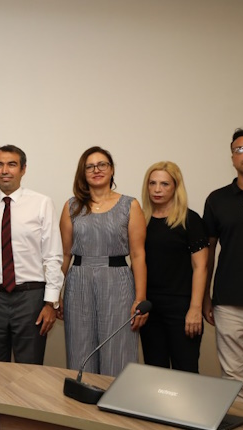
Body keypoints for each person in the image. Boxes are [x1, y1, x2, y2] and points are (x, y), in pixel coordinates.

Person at [59, 146, 147, 377]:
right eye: (90, 166)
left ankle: (117, 398)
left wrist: (140, 298)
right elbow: (65, 254)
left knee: (119, 350)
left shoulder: (130, 205)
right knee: (80, 351)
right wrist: (56, 293)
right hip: (79, 283)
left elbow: (138, 255)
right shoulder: (71, 206)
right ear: (83, 172)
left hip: (118, 283)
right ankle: (82, 398)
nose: (96, 170)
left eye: (102, 165)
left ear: (112, 169)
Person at [0, 145, 63, 364]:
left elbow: (53, 256)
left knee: (30, 369)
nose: (5, 170)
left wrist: (50, 303)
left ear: (23, 169)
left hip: (30, 299)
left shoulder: (42, 203)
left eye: (12, 164)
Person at [139, 161, 207, 373]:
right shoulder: (141, 220)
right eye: (152, 183)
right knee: (154, 372)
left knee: (185, 372)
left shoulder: (190, 219)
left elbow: (201, 267)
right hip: (150, 308)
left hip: (182, 307)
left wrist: (195, 309)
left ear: (176, 187)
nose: (157, 189)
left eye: (164, 184)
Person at [203, 127, 243, 402]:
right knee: (237, 383)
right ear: (232, 157)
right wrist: (205, 297)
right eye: (240, 149)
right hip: (229, 304)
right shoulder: (217, 199)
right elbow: (208, 252)